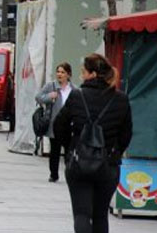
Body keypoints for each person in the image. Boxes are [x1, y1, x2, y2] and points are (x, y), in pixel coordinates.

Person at [54, 54, 133, 233]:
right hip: (108, 165)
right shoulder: (121, 99)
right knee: (100, 215)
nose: (81, 76)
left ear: (92, 74)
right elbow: (126, 133)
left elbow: (59, 126)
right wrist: (115, 152)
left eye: (83, 72)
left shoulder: (76, 96)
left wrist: (71, 148)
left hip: (79, 163)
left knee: (82, 214)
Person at [35, 62, 77, 183]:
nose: (59, 74)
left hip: (69, 125)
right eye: (58, 71)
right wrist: (49, 96)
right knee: (55, 150)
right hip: (55, 123)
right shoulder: (51, 86)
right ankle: (54, 174)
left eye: (63, 72)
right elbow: (38, 97)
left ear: (68, 75)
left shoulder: (74, 89)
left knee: (69, 150)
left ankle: (70, 173)